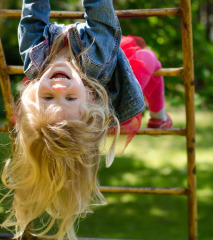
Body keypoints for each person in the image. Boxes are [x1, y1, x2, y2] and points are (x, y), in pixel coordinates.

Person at [1, 1, 170, 240]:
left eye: (48, 97)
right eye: (68, 97)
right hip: (110, 71)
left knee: (60, 126)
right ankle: (160, 117)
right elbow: (100, 11)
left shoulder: (33, 58)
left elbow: (32, 13)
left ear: (33, 90)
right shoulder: (98, 57)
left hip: (84, 96)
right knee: (149, 60)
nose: (58, 87)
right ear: (90, 96)